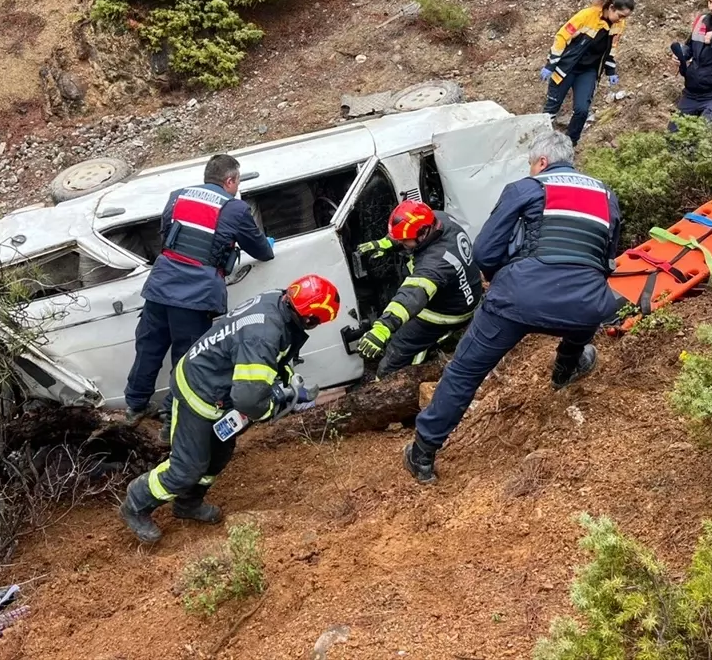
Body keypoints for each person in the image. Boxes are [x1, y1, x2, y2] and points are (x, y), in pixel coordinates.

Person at [403, 130, 622, 485]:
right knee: (585, 301)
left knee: (464, 372)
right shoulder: (606, 195)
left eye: (531, 164)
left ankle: (423, 454)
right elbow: (605, 260)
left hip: (515, 298)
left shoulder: (526, 189)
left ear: (542, 162)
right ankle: (566, 367)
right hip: (584, 304)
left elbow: (484, 252)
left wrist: (507, 277)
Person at [119, 275, 340, 544]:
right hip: (199, 392)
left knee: (218, 456)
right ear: (310, 318)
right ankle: (136, 503)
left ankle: (187, 504)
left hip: (220, 391)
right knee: (187, 467)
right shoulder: (264, 335)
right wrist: (273, 404)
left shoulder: (278, 303)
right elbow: (248, 399)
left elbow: (276, 359)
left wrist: (288, 383)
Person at [124, 154, 274, 441]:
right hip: (197, 294)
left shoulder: (177, 197)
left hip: (161, 285)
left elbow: (167, 235)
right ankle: (170, 421)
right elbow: (261, 251)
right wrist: (267, 244)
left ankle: (135, 406)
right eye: (237, 181)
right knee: (187, 359)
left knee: (149, 348)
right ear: (230, 180)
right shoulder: (235, 209)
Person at [354, 200, 482, 378]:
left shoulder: (434, 264)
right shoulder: (438, 218)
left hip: (447, 312)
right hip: (465, 291)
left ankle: (391, 381)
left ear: (423, 235)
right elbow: (411, 232)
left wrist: (382, 328)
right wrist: (387, 243)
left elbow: (411, 297)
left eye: (405, 241)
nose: (403, 244)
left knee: (398, 348)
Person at [540, 0, 636, 145]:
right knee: (551, 108)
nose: (621, 20)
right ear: (611, 7)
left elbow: (612, 48)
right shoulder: (587, 16)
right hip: (566, 68)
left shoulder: (618, 25)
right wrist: (551, 64)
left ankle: (570, 143)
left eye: (625, 17)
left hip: (588, 71)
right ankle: (542, 143)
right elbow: (562, 36)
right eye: (620, 15)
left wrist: (611, 70)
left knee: (582, 110)